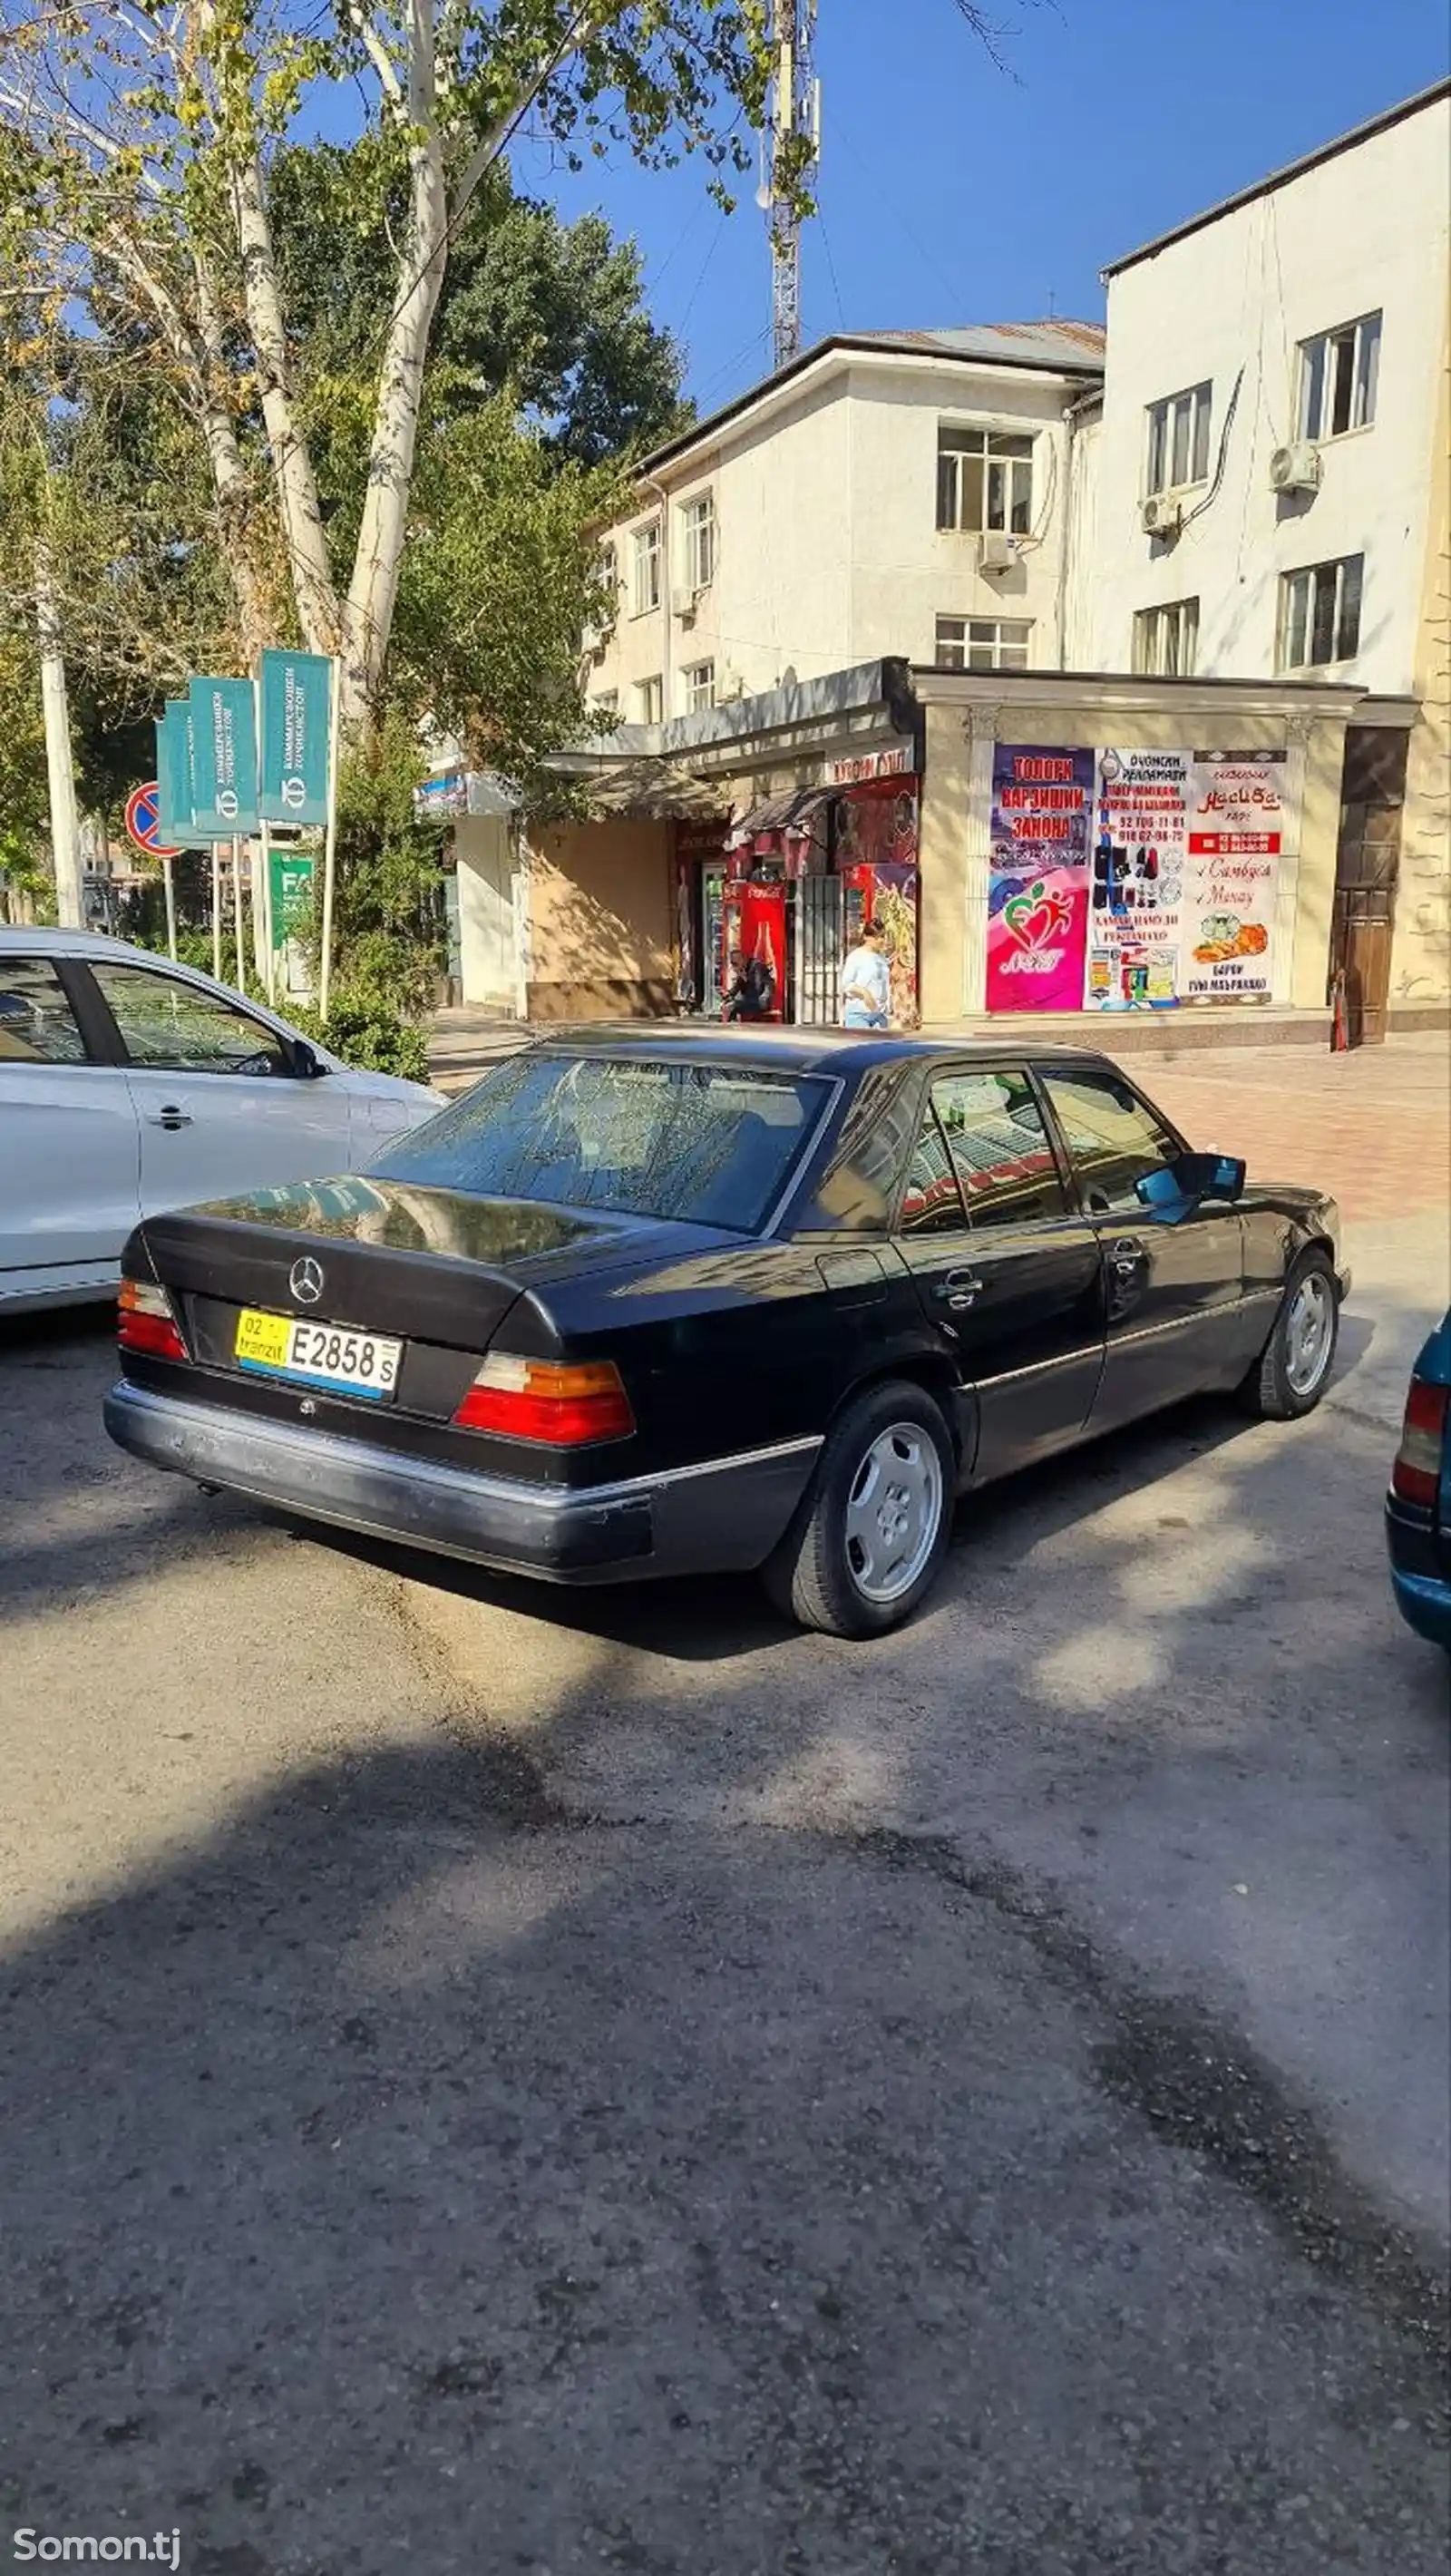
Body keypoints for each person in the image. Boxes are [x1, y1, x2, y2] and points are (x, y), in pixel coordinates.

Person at [840, 920, 891, 1029]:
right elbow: (846, 984)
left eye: (882, 936)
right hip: (859, 1013)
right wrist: (864, 993)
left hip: (879, 1014)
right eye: (877, 937)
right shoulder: (856, 957)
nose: (881, 940)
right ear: (867, 937)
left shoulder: (881, 956)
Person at [724, 945, 774, 1020]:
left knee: (732, 1006)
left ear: (742, 960)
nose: (733, 966)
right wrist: (728, 994)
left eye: (735, 963)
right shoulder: (743, 969)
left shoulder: (757, 967)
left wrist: (745, 978)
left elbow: (759, 989)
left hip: (760, 1001)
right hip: (750, 1000)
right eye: (732, 964)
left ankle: (728, 1026)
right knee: (728, 1005)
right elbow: (737, 988)